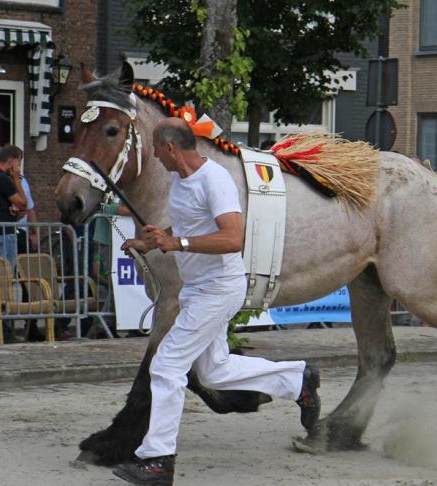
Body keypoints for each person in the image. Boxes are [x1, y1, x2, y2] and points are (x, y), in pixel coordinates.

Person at [113, 118, 320, 485]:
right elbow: (190, 227)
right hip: (197, 289)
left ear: (172, 147)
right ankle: (297, 378)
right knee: (214, 371)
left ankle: (158, 460)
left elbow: (233, 238)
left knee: (167, 365)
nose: (157, 159)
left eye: (158, 151)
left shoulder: (216, 181)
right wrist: (154, 240)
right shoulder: (180, 181)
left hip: (219, 288)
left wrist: (178, 244)